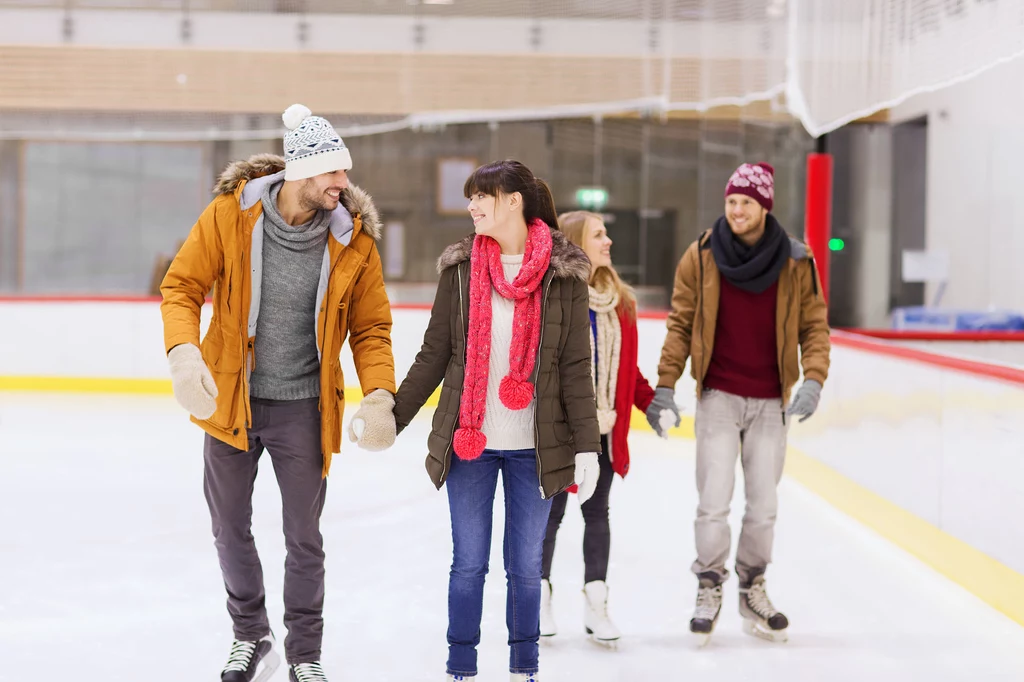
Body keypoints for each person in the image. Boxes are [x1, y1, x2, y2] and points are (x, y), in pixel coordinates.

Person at [160, 104, 397, 682]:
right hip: (232, 400)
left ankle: (305, 654)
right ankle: (250, 635)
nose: (344, 184)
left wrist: (380, 394)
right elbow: (182, 286)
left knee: (303, 536)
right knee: (229, 526)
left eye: (344, 173)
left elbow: (371, 328)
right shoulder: (230, 216)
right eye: (333, 173)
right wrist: (184, 355)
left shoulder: (353, 242)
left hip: (303, 408)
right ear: (300, 172)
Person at [389, 160, 602, 682]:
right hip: (471, 442)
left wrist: (588, 445)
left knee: (526, 569)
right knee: (468, 565)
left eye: (482, 195)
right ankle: (461, 667)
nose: (472, 205)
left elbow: (576, 366)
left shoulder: (563, 274)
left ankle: (522, 668)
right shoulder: (460, 271)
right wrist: (393, 417)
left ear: (514, 201)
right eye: (470, 198)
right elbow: (433, 354)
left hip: (537, 445)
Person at [649, 162, 830, 645]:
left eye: (746, 202)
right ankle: (709, 586)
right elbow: (680, 324)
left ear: (764, 206)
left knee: (764, 505)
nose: (736, 210)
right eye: (731, 201)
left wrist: (813, 379)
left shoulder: (795, 260)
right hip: (719, 397)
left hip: (771, 400)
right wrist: (665, 385)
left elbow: (814, 326)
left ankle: (752, 586)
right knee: (712, 503)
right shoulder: (702, 256)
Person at [538, 211, 676, 646]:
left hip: (605, 431)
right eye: (599, 234)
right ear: (578, 241)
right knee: (551, 514)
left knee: (597, 514)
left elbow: (627, 370)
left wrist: (651, 405)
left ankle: (597, 605)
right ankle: (537, 598)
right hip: (561, 431)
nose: (609, 241)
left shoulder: (622, 302)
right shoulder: (555, 296)